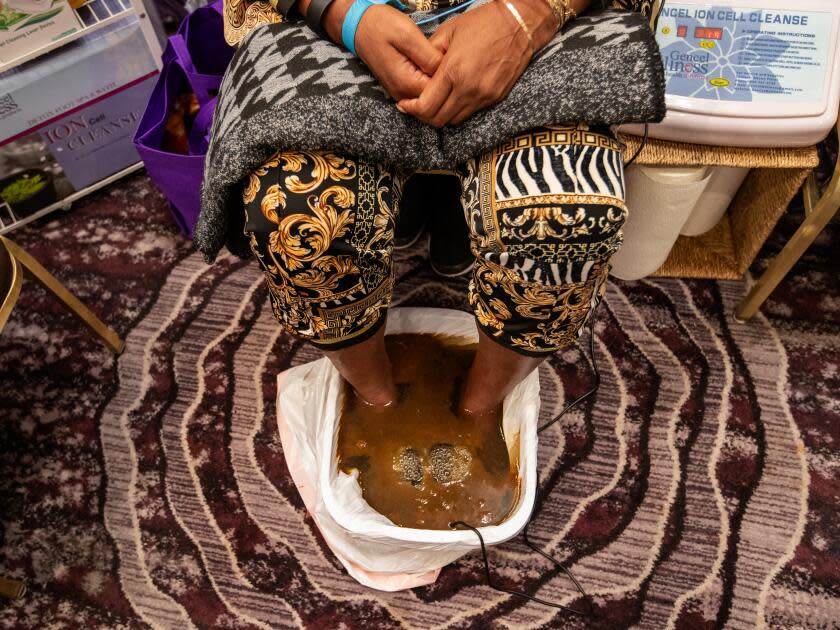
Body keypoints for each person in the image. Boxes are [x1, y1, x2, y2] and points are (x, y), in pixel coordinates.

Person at [202, 0, 662, 423]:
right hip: (332, 18)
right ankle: (377, 404)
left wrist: (531, 14)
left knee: (565, 218)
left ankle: (478, 415)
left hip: (540, 17)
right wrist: (345, 14)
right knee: (298, 213)